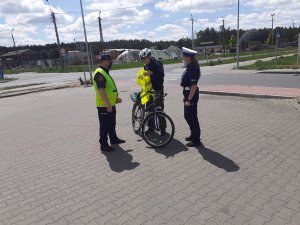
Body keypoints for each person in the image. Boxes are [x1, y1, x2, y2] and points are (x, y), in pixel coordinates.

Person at [92, 54, 125, 152]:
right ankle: (104, 145)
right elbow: (101, 90)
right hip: (104, 105)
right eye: (110, 61)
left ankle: (113, 139)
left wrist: (115, 99)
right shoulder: (99, 73)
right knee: (104, 126)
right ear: (104, 61)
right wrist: (107, 103)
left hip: (110, 104)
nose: (111, 63)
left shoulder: (105, 72)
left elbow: (109, 89)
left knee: (111, 123)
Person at [139, 48, 166, 135]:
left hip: (158, 89)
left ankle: (163, 129)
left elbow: (162, 75)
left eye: (144, 58)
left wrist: (153, 73)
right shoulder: (145, 66)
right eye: (142, 59)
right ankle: (151, 128)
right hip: (149, 90)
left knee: (159, 109)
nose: (144, 60)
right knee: (149, 110)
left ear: (149, 56)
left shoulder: (157, 63)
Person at [181, 47, 202, 147]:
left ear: (188, 57)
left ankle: (196, 140)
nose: (183, 58)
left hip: (191, 95)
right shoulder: (190, 66)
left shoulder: (193, 68)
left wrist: (189, 99)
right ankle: (194, 135)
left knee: (190, 117)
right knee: (191, 116)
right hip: (188, 94)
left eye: (184, 56)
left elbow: (193, 86)